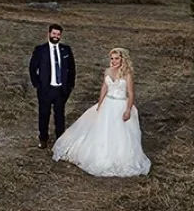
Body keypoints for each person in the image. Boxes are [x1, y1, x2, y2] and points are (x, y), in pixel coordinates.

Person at [51, 47, 151, 177]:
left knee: (120, 133)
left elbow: (131, 93)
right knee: (103, 130)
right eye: (112, 58)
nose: (114, 61)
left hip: (121, 104)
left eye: (117, 58)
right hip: (108, 104)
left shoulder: (127, 74)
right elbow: (104, 87)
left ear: (122, 60)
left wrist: (128, 110)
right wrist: (99, 104)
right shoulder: (108, 71)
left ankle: (118, 157)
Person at [28, 23, 75, 149]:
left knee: (60, 115)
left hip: (61, 90)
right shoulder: (40, 50)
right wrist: (38, 85)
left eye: (58, 34)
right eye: (54, 34)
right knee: (44, 114)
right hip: (45, 89)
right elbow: (33, 68)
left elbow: (71, 69)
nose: (56, 36)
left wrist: (70, 86)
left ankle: (60, 140)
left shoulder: (66, 50)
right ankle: (43, 139)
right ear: (49, 34)